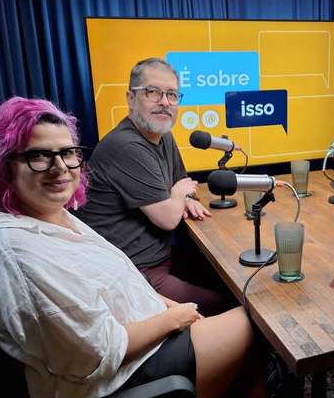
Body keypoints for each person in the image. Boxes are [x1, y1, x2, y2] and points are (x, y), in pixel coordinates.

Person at [0, 97, 275, 398]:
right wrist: (178, 319)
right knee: (259, 323)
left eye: (68, 153)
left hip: (134, 349)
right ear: (2, 166)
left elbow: (116, 278)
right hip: (119, 391)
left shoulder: (44, 216)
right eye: (39, 156)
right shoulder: (18, 257)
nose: (60, 167)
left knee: (238, 346)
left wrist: (168, 306)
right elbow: (100, 352)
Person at [77, 57, 233, 316]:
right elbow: (168, 218)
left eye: (172, 94)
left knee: (232, 280)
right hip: (133, 274)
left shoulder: (163, 135)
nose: (165, 102)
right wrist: (177, 197)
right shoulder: (126, 145)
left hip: (160, 257)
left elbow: (184, 184)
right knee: (228, 305)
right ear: (130, 98)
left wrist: (185, 197)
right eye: (153, 92)